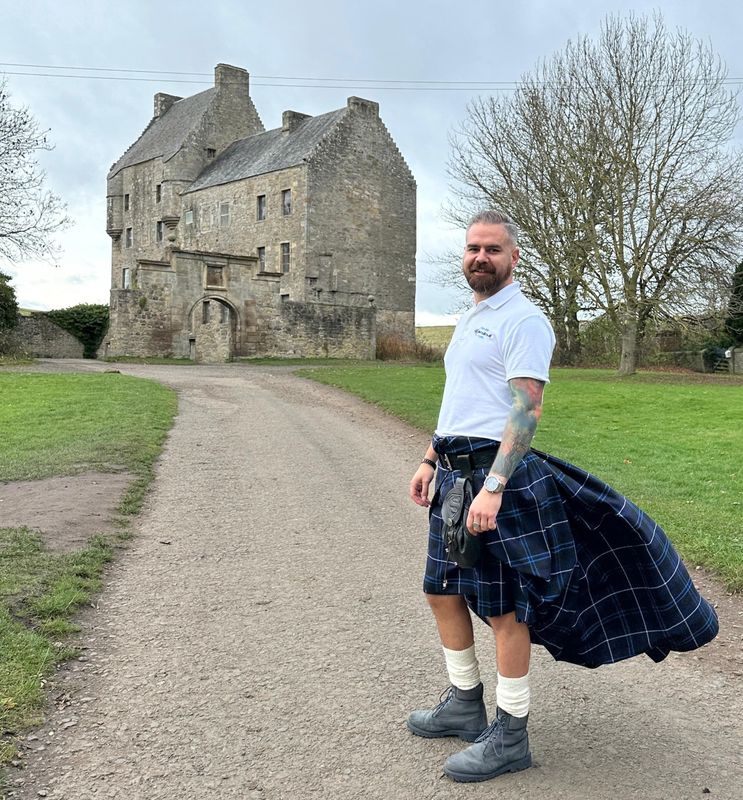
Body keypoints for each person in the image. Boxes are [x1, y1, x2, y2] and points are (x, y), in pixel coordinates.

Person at [407, 210, 719, 784]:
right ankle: (464, 702)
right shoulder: (472, 316)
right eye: (473, 248)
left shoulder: (523, 319)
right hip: (453, 476)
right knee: (441, 591)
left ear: (514, 257)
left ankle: (511, 735)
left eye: (492, 249)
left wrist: (494, 487)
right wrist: (430, 458)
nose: (480, 257)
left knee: (504, 608)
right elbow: (461, 401)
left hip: (493, 480)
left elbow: (527, 408)